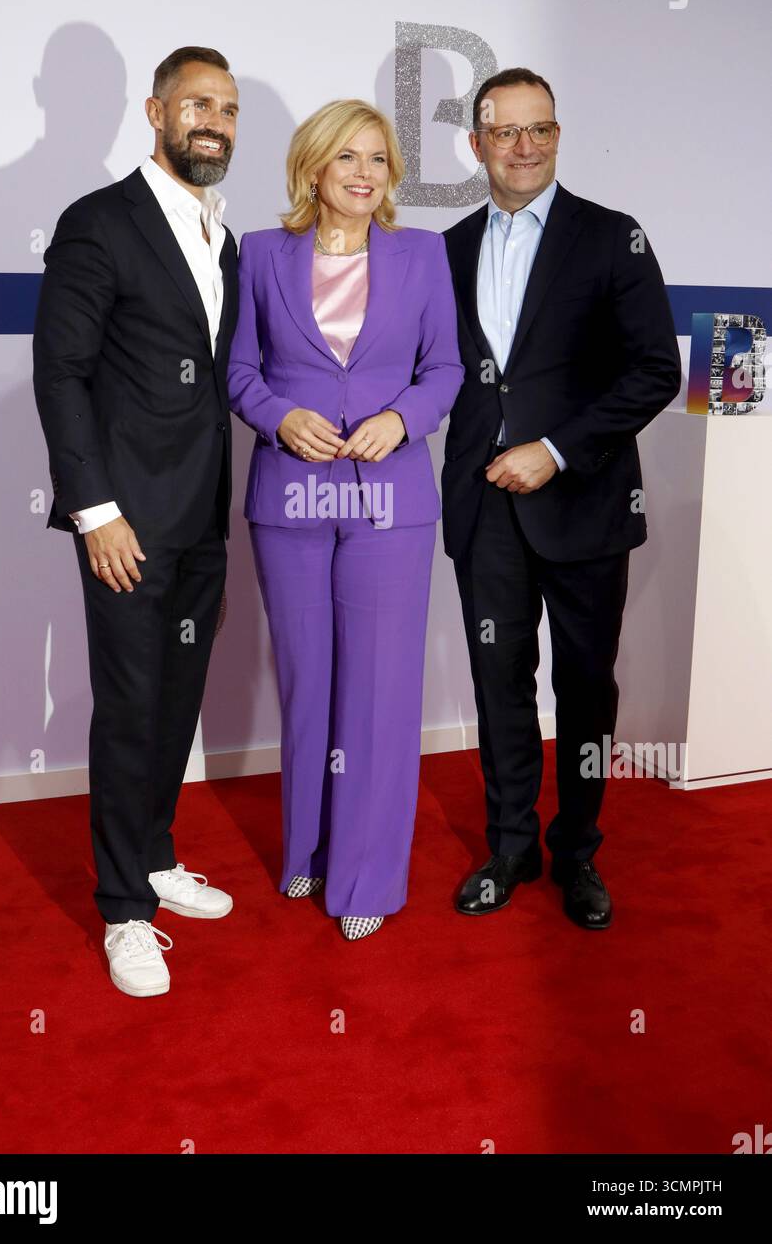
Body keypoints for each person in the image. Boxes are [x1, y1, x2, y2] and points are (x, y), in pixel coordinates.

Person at [441, 67, 681, 929]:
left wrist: (555, 450)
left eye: (540, 129)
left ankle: (577, 852)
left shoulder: (614, 237)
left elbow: (657, 369)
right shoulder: (448, 248)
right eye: (506, 132)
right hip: (484, 509)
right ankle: (510, 847)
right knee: (498, 682)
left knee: (585, 691)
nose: (525, 146)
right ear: (477, 145)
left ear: (557, 135)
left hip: (583, 503)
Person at [227, 100, 463, 940]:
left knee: (378, 691)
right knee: (307, 682)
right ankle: (308, 852)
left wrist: (402, 420)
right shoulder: (261, 253)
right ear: (313, 170)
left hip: (390, 500)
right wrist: (275, 416)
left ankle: (366, 878)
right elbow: (241, 369)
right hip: (289, 499)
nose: (364, 174)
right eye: (347, 159)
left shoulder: (422, 256)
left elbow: (445, 366)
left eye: (377, 159)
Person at [33, 47, 239, 996]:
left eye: (228, 109)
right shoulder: (98, 222)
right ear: (156, 112)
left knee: (173, 701)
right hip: (123, 521)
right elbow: (61, 373)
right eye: (197, 103)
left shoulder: (221, 236)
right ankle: (122, 910)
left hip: (200, 517)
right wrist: (95, 511)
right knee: (127, 709)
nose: (215, 121)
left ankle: (154, 857)